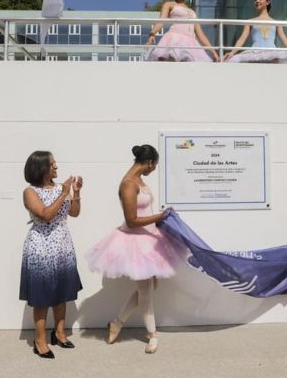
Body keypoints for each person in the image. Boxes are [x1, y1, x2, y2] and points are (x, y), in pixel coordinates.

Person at [86, 144, 187, 354]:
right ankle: (152, 335)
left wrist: (160, 218)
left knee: (150, 287)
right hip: (134, 242)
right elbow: (131, 221)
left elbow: (145, 211)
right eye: (155, 165)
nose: (154, 169)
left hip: (149, 240)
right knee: (146, 290)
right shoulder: (128, 185)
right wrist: (160, 216)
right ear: (149, 162)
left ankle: (118, 322)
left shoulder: (140, 181)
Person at [20, 151, 83, 359]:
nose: (56, 166)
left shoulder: (60, 189)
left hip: (62, 246)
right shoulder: (30, 192)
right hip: (41, 249)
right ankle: (40, 340)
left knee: (61, 293)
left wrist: (76, 193)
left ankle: (60, 333)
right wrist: (64, 194)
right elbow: (45, 215)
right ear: (41, 167)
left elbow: (73, 214)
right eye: (52, 163)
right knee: (42, 297)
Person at [224, 0, 287, 64]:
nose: (257, 1)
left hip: (272, 54)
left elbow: (285, 41)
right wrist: (232, 52)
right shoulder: (250, 21)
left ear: (267, 2)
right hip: (254, 54)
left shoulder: (276, 23)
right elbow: (242, 39)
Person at [145, 0, 220, 62]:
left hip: (190, 44)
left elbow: (200, 34)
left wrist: (214, 53)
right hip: (174, 40)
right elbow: (161, 21)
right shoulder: (169, 4)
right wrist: (152, 34)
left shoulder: (192, 12)